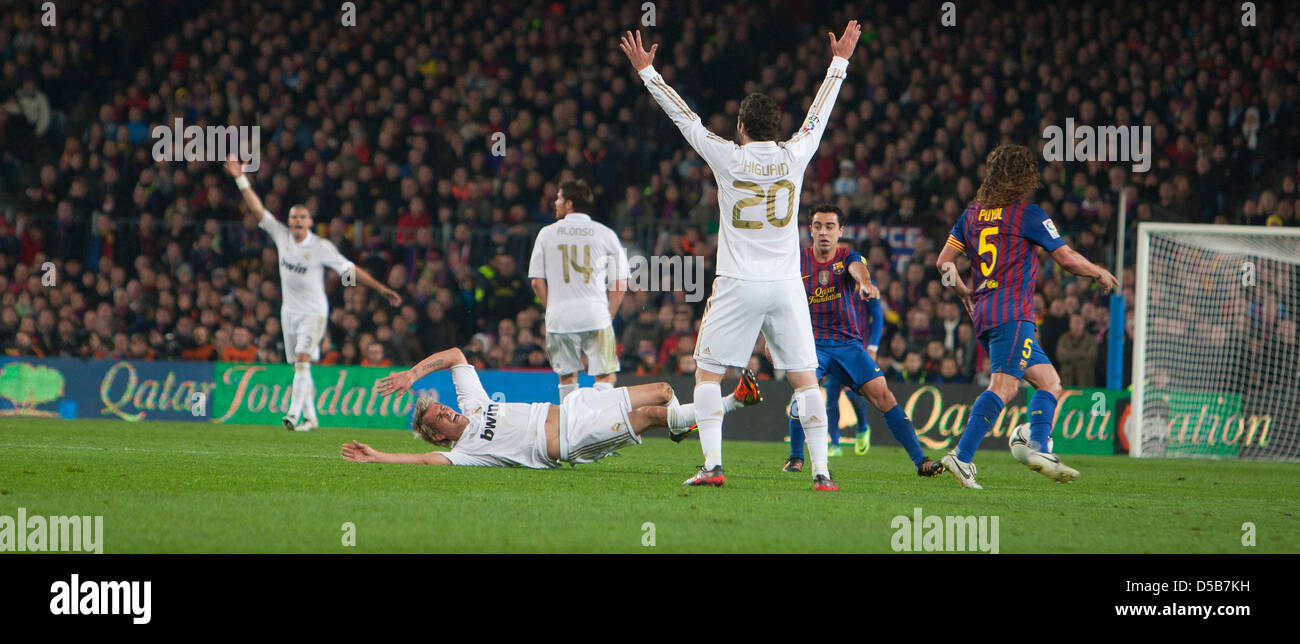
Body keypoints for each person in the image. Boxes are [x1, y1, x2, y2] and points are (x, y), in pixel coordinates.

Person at [619, 21, 861, 490]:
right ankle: (822, 473)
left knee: (707, 374)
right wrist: (840, 62)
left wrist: (649, 73)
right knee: (806, 382)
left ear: (742, 128)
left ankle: (712, 467)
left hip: (737, 282)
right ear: (777, 128)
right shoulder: (797, 153)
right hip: (788, 285)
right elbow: (820, 113)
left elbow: (685, 119)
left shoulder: (727, 157)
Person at [936, 143, 1118, 488]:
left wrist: (963, 292)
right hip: (1012, 313)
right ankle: (962, 456)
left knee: (1050, 381)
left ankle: (1038, 448)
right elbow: (1066, 259)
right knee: (1004, 387)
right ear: (1024, 178)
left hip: (987, 311)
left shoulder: (971, 215)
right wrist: (1097, 271)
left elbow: (943, 263)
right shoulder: (1028, 214)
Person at [341, 346, 763, 468]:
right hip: (571, 439)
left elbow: (454, 354)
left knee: (664, 390)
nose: (448, 412)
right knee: (653, 414)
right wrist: (378, 457)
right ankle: (732, 403)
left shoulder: (474, 404)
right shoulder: (465, 453)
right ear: (437, 434)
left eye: (442, 408)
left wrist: (412, 376)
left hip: (579, 405)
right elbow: (425, 462)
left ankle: (680, 426)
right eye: (439, 418)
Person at [224, 156, 401, 432]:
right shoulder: (281, 236)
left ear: (310, 222)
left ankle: (293, 415)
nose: (296, 221)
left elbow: (349, 270)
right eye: (293, 216)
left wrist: (381, 289)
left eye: (302, 217)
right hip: (289, 312)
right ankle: (311, 417)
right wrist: (240, 178)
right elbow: (257, 209)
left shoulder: (321, 247)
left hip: (314, 313)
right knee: (299, 366)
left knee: (303, 359)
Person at [784, 204, 944, 478]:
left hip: (848, 346)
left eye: (830, 226)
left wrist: (865, 284)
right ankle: (796, 457)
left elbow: (859, 271)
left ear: (840, 231)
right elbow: (780, 299)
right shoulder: (796, 262)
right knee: (803, 397)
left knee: (884, 396)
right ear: (810, 229)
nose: (824, 232)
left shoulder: (849, 256)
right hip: (812, 345)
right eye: (818, 226)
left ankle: (921, 460)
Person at [528, 179, 628, 401]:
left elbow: (536, 281)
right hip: (595, 315)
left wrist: (552, 307)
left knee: (567, 378)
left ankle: (571, 429)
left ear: (569, 204)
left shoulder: (547, 233)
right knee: (605, 376)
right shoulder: (605, 233)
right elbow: (620, 283)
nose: (555, 202)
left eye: (559, 198)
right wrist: (608, 314)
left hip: (559, 317)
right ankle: (600, 424)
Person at [823, 238, 883, 457]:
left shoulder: (867, 284)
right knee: (831, 394)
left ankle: (862, 427)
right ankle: (834, 443)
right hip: (833, 344)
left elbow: (877, 317)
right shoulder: (827, 281)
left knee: (854, 393)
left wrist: (873, 346)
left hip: (857, 346)